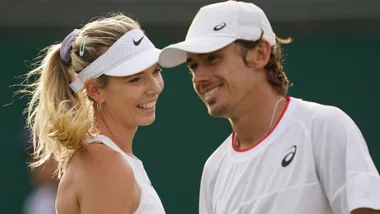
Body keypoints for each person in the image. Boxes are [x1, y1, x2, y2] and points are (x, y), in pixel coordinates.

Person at [158, 1, 380, 214]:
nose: (200, 77)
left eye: (213, 58)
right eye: (193, 66)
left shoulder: (323, 127)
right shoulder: (214, 171)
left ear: (260, 54)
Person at [21, 13, 166, 214]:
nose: (155, 87)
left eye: (156, 71)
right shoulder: (107, 166)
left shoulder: (107, 161)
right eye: (135, 79)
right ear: (96, 90)